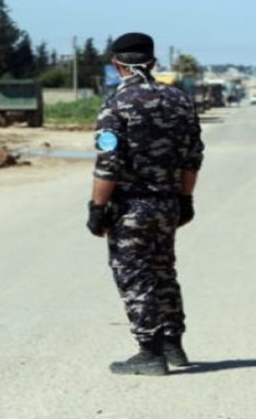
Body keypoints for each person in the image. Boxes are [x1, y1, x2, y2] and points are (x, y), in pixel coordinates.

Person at [86, 32, 204, 376]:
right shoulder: (179, 100)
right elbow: (192, 157)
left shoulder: (117, 104)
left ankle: (149, 351)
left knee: (135, 274)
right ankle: (173, 345)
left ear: (116, 64)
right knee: (163, 271)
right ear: (153, 63)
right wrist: (185, 198)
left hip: (131, 207)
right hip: (167, 204)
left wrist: (97, 208)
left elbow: (109, 162)